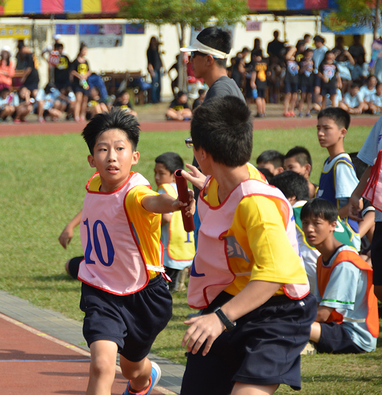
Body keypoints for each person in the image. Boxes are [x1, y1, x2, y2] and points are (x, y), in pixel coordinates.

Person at [179, 95, 315, 394]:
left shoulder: (257, 204)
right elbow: (224, 194)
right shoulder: (220, 182)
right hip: (235, 297)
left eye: (191, 145)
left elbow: (272, 276)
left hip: (278, 309)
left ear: (202, 153)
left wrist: (219, 318)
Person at [79, 109, 189, 395]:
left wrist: (175, 204)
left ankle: (144, 379)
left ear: (135, 157)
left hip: (144, 295)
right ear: (92, 160)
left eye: (120, 149)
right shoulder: (93, 184)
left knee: (132, 369)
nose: (112, 157)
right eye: (103, 150)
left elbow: (153, 201)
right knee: (102, 365)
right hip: (101, 290)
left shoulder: (135, 192)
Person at [301, 198, 378, 354]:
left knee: (288, 325)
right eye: (305, 223)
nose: (309, 229)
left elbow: (322, 314)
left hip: (355, 336)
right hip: (335, 326)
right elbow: (318, 305)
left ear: (333, 225)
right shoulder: (322, 258)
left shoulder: (345, 262)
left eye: (316, 223)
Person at [270, 171, 356, 299]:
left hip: (326, 277)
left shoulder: (289, 213)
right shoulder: (324, 212)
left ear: (291, 197)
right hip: (352, 277)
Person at [349, 115, 382, 302]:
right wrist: (356, 194)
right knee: (379, 287)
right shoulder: (381, 123)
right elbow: (373, 162)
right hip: (380, 214)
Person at [154, 152, 195, 292]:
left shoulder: (164, 190)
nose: (157, 178)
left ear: (174, 174)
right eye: (155, 173)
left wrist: (152, 226)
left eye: (161, 173)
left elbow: (166, 217)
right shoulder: (187, 190)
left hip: (170, 245)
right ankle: (181, 279)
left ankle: (176, 284)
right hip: (187, 244)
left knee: (165, 280)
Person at [181, 27, 244, 102]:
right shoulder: (226, 86)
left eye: (193, 54)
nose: (190, 60)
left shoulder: (219, 92)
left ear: (208, 60)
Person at [70, 43, 90, 122]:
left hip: (85, 82)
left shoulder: (86, 61)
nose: (85, 52)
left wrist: (86, 76)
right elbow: (72, 71)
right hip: (78, 82)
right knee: (78, 99)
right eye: (84, 50)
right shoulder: (75, 61)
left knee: (85, 99)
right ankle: (76, 115)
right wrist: (79, 76)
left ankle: (82, 115)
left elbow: (89, 71)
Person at [249, 52, 268, 118]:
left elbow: (254, 73)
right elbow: (268, 73)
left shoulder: (255, 63)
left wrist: (252, 82)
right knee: (263, 98)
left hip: (258, 82)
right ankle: (263, 112)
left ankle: (259, 112)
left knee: (258, 97)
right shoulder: (265, 63)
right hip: (264, 82)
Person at [298, 49, 315, 117]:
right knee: (303, 96)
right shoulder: (302, 60)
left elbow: (315, 70)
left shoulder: (313, 61)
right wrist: (305, 66)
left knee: (309, 96)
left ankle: (308, 111)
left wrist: (312, 68)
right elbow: (300, 71)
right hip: (303, 80)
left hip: (310, 80)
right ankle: (300, 111)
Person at [283, 46, 299, 117]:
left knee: (294, 95)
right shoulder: (287, 58)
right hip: (288, 78)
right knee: (288, 94)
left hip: (295, 78)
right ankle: (285, 110)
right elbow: (287, 57)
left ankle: (292, 109)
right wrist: (292, 49)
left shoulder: (296, 59)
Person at [147, 36, 163, 103]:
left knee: (159, 84)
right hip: (154, 69)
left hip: (158, 68)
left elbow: (160, 59)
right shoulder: (149, 50)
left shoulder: (157, 49)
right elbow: (149, 62)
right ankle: (154, 99)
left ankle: (158, 97)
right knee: (155, 85)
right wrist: (151, 71)